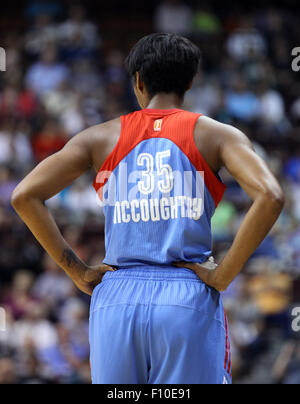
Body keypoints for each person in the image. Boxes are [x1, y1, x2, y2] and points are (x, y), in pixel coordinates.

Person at [11, 33, 284, 384]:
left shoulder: (99, 137)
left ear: (137, 81)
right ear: (190, 81)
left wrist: (76, 271)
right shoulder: (217, 135)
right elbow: (271, 195)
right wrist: (223, 274)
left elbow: (24, 196)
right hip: (185, 295)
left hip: (116, 298)